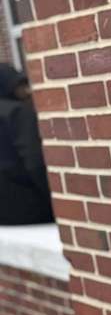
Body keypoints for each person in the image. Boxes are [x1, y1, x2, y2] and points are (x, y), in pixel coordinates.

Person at [0, 64, 54, 225]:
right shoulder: (18, 112)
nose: (27, 90)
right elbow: (36, 163)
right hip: (28, 208)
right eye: (21, 86)